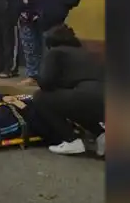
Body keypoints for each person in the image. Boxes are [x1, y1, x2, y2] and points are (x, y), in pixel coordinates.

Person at [27, 24, 105, 156]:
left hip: (86, 96)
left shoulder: (56, 52)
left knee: (41, 97)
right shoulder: (88, 53)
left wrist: (36, 78)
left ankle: (71, 140)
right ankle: (101, 136)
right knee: (73, 103)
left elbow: (46, 83)